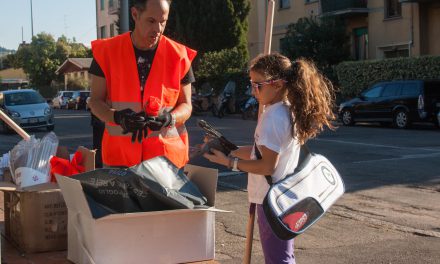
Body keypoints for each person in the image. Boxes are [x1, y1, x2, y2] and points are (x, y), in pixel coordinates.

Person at [203, 53, 335, 264]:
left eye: (258, 85)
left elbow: (266, 166)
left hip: (270, 200)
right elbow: (260, 153)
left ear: (278, 84)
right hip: (283, 197)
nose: (253, 91)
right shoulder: (286, 111)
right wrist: (230, 149)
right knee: (283, 256)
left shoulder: (273, 117)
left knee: (278, 260)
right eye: (251, 84)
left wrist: (229, 162)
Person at [88, 0, 196, 168]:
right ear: (135, 15)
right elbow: (95, 101)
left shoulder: (179, 55)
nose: (158, 29)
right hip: (120, 159)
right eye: (151, 21)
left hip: (166, 161)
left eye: (163, 22)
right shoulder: (107, 52)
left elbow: (186, 105)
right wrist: (117, 117)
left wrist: (170, 118)